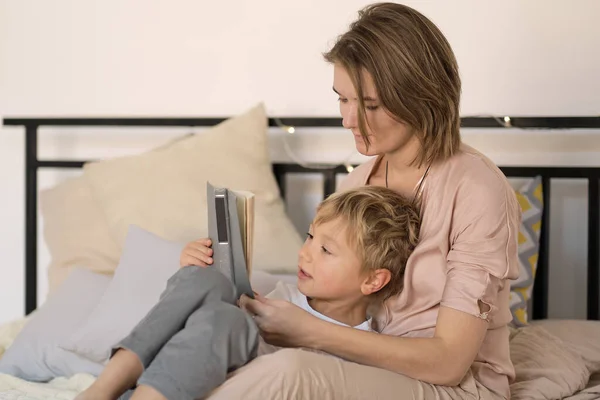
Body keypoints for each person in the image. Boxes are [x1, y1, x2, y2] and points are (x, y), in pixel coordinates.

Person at [202, 3, 522, 400]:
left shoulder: (477, 189)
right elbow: (326, 294)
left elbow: (449, 363)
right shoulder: (358, 183)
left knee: (294, 373)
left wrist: (311, 332)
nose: (349, 121)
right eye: (342, 99)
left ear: (421, 97)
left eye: (369, 105)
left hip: (456, 386)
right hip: (369, 368)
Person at [75, 186, 421, 400]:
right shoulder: (279, 293)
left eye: (326, 250)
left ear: (373, 281)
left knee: (229, 319)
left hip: (217, 387)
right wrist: (190, 271)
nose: (305, 253)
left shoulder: (362, 350)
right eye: (310, 237)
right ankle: (103, 387)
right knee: (210, 283)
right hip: (162, 382)